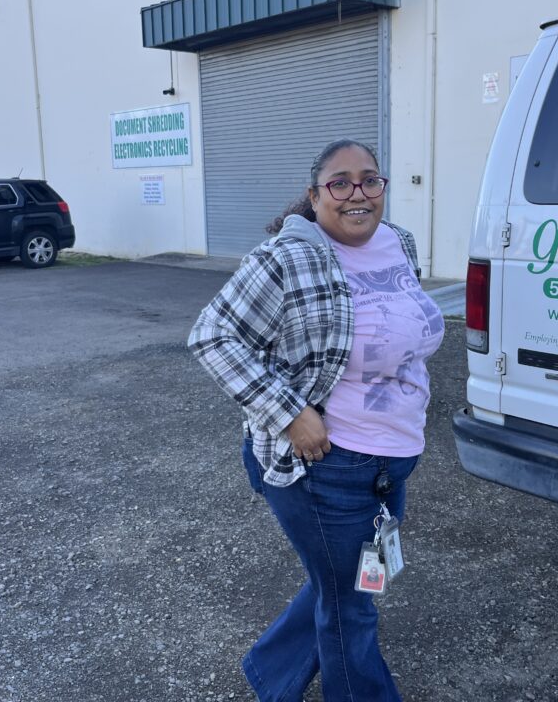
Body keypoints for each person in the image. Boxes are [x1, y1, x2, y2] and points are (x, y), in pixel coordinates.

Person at [188, 138, 445, 701]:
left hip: (393, 459)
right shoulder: (287, 257)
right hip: (326, 465)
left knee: (347, 581)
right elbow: (212, 336)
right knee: (352, 608)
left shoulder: (399, 242)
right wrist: (289, 413)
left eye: (370, 180)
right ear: (315, 195)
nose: (358, 193)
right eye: (340, 182)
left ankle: (271, 671)